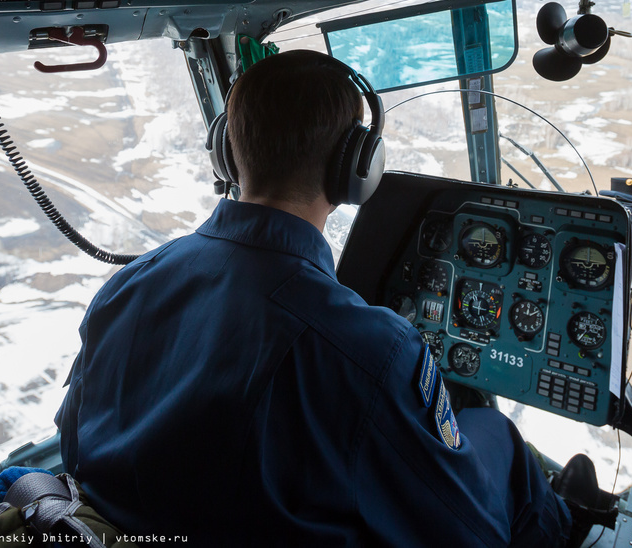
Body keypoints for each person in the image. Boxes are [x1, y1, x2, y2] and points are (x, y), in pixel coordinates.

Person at [55, 49, 573, 546]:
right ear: (357, 167)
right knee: (498, 438)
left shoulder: (126, 285)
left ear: (229, 153)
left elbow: (74, 444)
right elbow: (465, 532)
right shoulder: (370, 349)